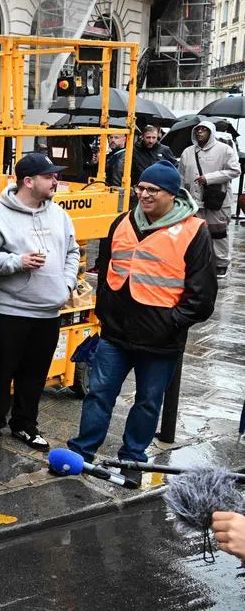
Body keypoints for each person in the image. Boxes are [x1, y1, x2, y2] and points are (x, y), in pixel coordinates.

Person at [68, 161, 216, 481]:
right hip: (115, 333)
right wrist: (105, 312)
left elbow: (202, 297)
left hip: (160, 340)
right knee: (99, 393)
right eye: (141, 188)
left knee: (148, 403)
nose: (144, 195)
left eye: (152, 190)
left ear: (172, 195)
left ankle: (133, 460)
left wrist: (171, 322)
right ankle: (83, 451)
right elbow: (105, 270)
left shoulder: (194, 231)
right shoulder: (122, 222)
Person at [0, 153, 79, 453]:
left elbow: (73, 251)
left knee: (35, 374)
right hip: (9, 311)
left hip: (48, 311)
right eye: (49, 176)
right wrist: (18, 262)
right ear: (28, 181)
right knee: (0, 371)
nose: (56, 181)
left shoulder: (59, 214)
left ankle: (25, 425)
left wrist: (66, 284)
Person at [179, 120, 240, 278]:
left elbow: (235, 170)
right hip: (194, 201)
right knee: (195, 233)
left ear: (211, 132)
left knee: (218, 232)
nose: (199, 132)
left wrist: (209, 178)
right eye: (197, 129)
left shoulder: (225, 150)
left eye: (204, 130)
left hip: (216, 200)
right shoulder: (187, 152)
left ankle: (221, 263)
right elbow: (182, 176)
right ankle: (198, 262)